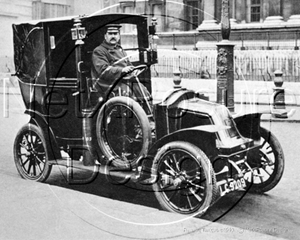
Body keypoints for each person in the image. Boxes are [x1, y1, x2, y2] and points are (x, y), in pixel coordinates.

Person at [91, 23, 151, 103]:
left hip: (123, 80)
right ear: (105, 36)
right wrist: (122, 70)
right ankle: (132, 114)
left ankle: (147, 112)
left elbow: (128, 64)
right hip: (108, 83)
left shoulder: (119, 49)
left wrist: (134, 70)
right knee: (128, 94)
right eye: (110, 34)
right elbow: (103, 70)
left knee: (143, 90)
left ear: (119, 35)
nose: (113, 36)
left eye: (115, 34)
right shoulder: (99, 51)